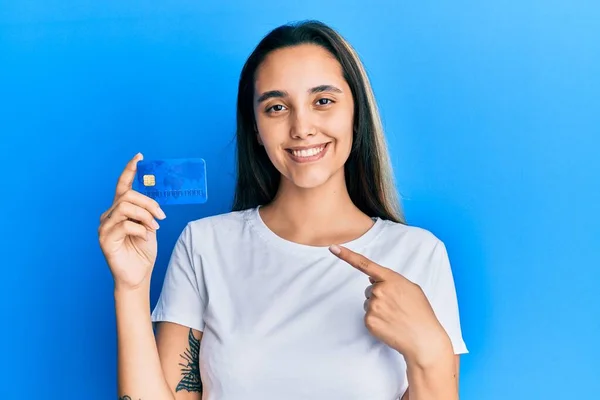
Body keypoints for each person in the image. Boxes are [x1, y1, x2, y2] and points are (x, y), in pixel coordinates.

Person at [98, 19, 468, 400]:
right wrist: (131, 287)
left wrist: (430, 352)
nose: (301, 127)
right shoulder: (204, 244)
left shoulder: (418, 255)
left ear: (356, 113)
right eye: (276, 107)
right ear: (256, 128)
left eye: (323, 101)